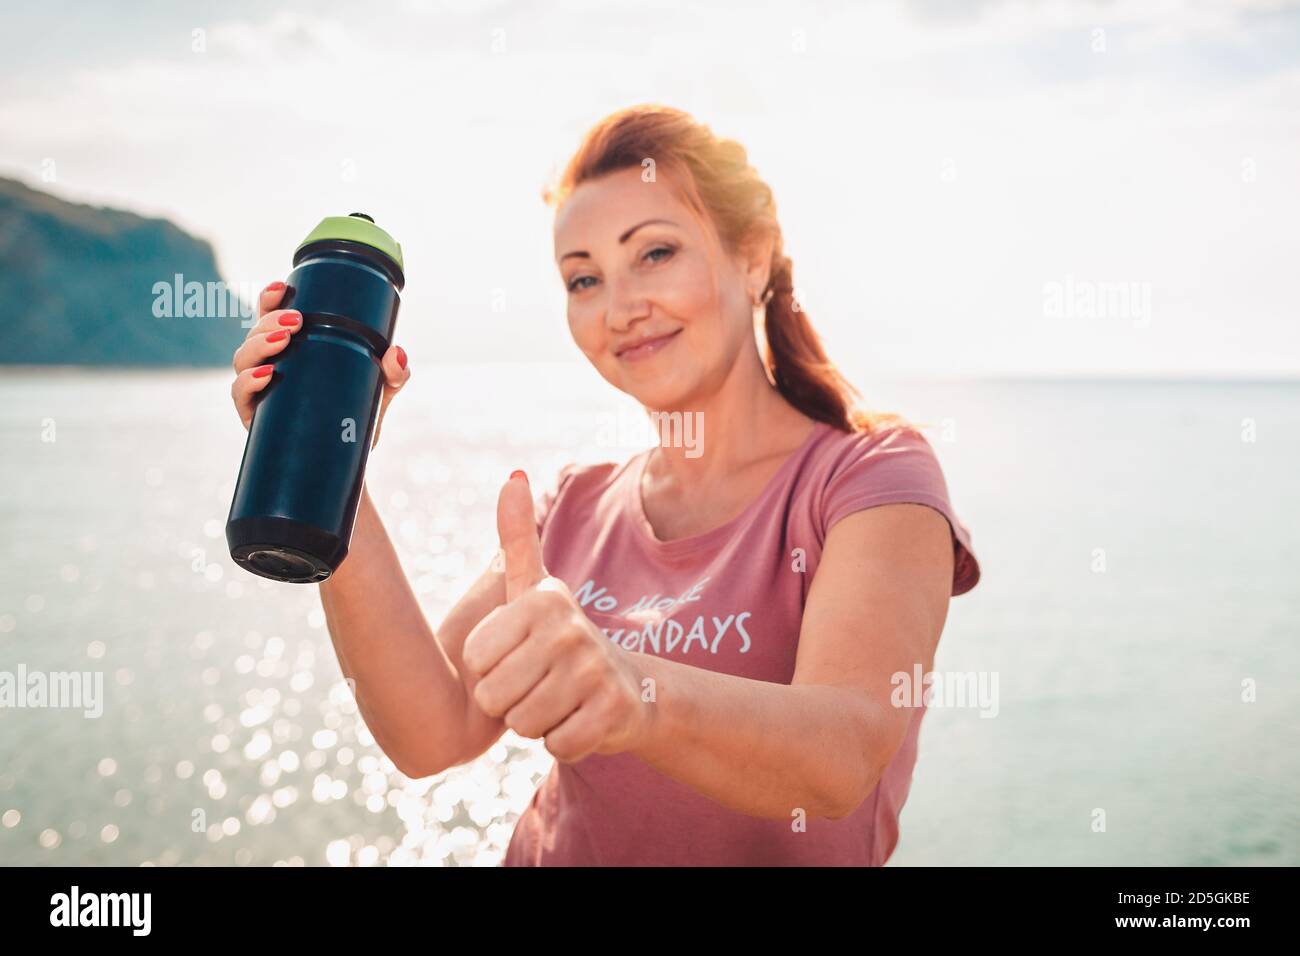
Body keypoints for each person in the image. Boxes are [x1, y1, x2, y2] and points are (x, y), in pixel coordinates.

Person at [229, 104, 981, 866]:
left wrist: (633, 691)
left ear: (753, 256)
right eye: (583, 278)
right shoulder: (576, 505)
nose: (620, 310)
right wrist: (329, 455)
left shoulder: (873, 477)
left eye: (654, 254)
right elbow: (431, 732)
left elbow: (842, 756)